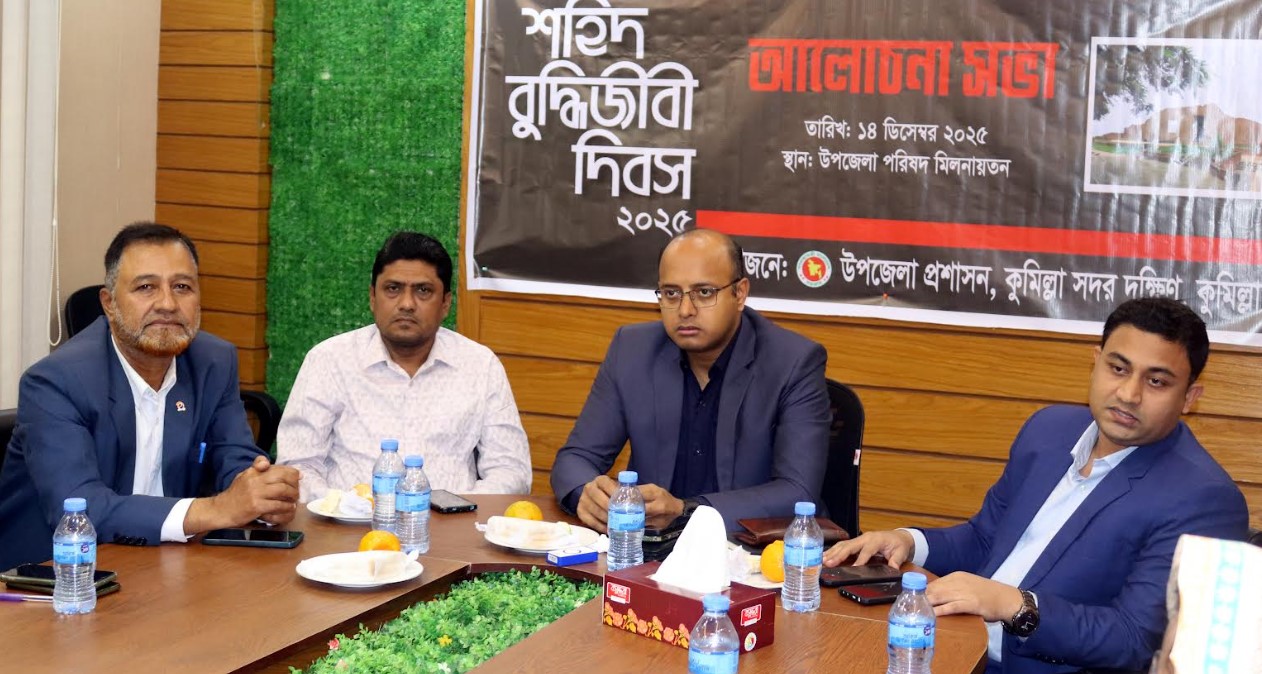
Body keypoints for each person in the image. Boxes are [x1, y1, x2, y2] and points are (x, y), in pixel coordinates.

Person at [824, 297, 1248, 674]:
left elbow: (1133, 639)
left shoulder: (1203, 499)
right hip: (947, 645)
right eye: (1118, 368)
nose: (1129, 393)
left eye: (1156, 381)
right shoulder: (1049, 430)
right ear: (1096, 361)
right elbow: (984, 538)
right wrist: (907, 541)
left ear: (1189, 397)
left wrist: (1015, 605)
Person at [0, 222, 300, 570]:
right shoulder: (55, 382)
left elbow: (233, 456)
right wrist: (218, 509)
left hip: (165, 562)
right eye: (146, 287)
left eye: (182, 287)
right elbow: (82, 510)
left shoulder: (213, 362)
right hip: (53, 577)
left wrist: (261, 490)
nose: (168, 304)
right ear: (109, 303)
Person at [551, 229, 831, 533]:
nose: (685, 310)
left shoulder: (793, 362)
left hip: (747, 550)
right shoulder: (632, 350)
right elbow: (575, 458)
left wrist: (687, 512)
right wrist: (586, 494)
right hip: (648, 548)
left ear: (739, 294)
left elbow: (797, 492)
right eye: (671, 293)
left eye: (704, 292)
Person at [276, 232, 530, 502]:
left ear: (445, 303)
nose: (407, 304)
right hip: (346, 522)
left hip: (454, 523)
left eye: (423, 291)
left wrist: (453, 508)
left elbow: (511, 471)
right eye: (393, 289)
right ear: (372, 297)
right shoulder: (329, 361)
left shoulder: (480, 365)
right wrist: (346, 507)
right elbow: (297, 466)